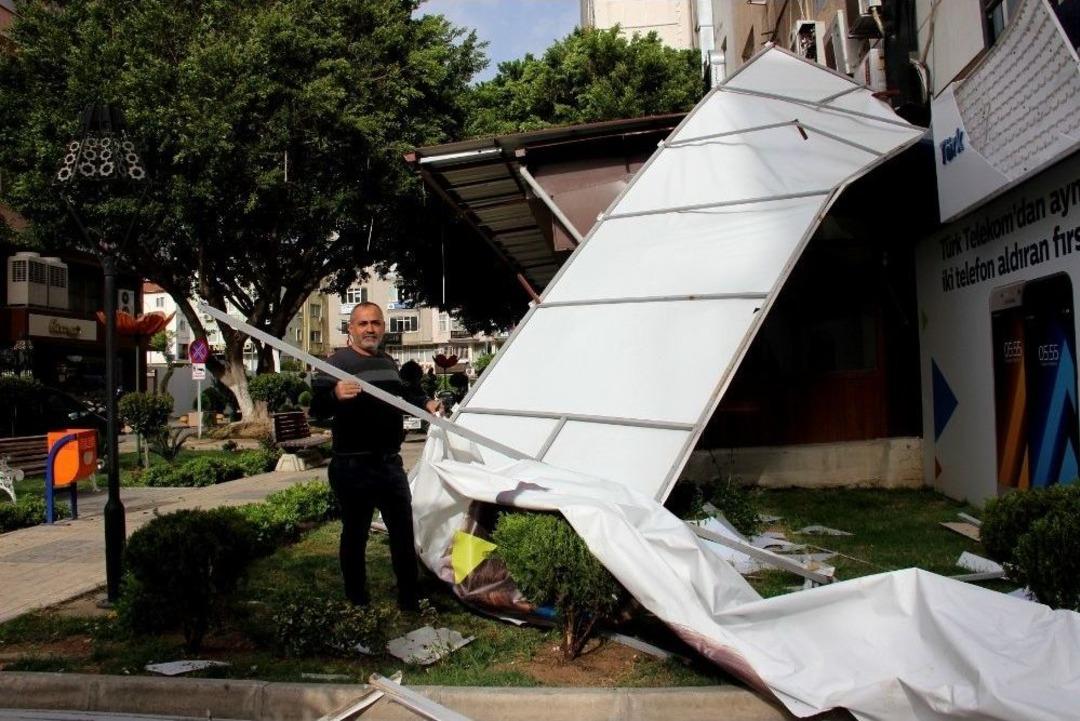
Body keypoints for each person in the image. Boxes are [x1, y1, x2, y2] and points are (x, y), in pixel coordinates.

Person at [310, 302, 441, 610]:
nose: (370, 329)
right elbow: (316, 410)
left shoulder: (387, 361)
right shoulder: (336, 362)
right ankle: (357, 599)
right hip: (352, 464)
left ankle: (409, 598)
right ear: (351, 328)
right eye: (363, 324)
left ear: (383, 327)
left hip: (388, 463)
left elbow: (405, 393)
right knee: (355, 535)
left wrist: (426, 404)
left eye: (376, 323)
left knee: (402, 533)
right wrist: (335, 395)